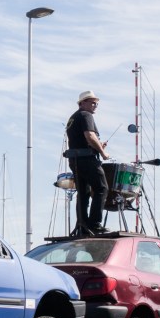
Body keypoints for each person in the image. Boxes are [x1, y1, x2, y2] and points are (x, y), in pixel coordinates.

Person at [65, 90, 110, 235]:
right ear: (82, 103)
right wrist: (102, 153)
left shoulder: (73, 118)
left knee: (83, 193)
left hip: (75, 160)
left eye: (96, 102)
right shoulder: (85, 115)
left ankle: (82, 225)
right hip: (86, 159)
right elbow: (89, 135)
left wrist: (96, 146)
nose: (95, 105)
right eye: (92, 102)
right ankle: (95, 224)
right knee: (101, 188)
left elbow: (81, 139)